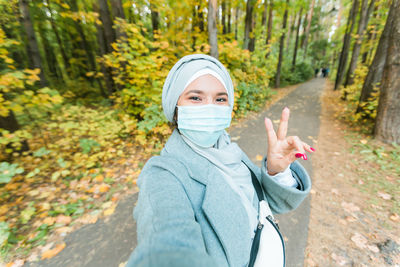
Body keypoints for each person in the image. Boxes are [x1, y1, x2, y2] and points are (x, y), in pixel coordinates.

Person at [126, 54, 313, 267]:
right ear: (175, 109)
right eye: (195, 98)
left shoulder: (228, 148)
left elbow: (269, 204)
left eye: (220, 99)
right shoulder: (163, 175)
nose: (210, 107)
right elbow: (167, 242)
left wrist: (276, 171)